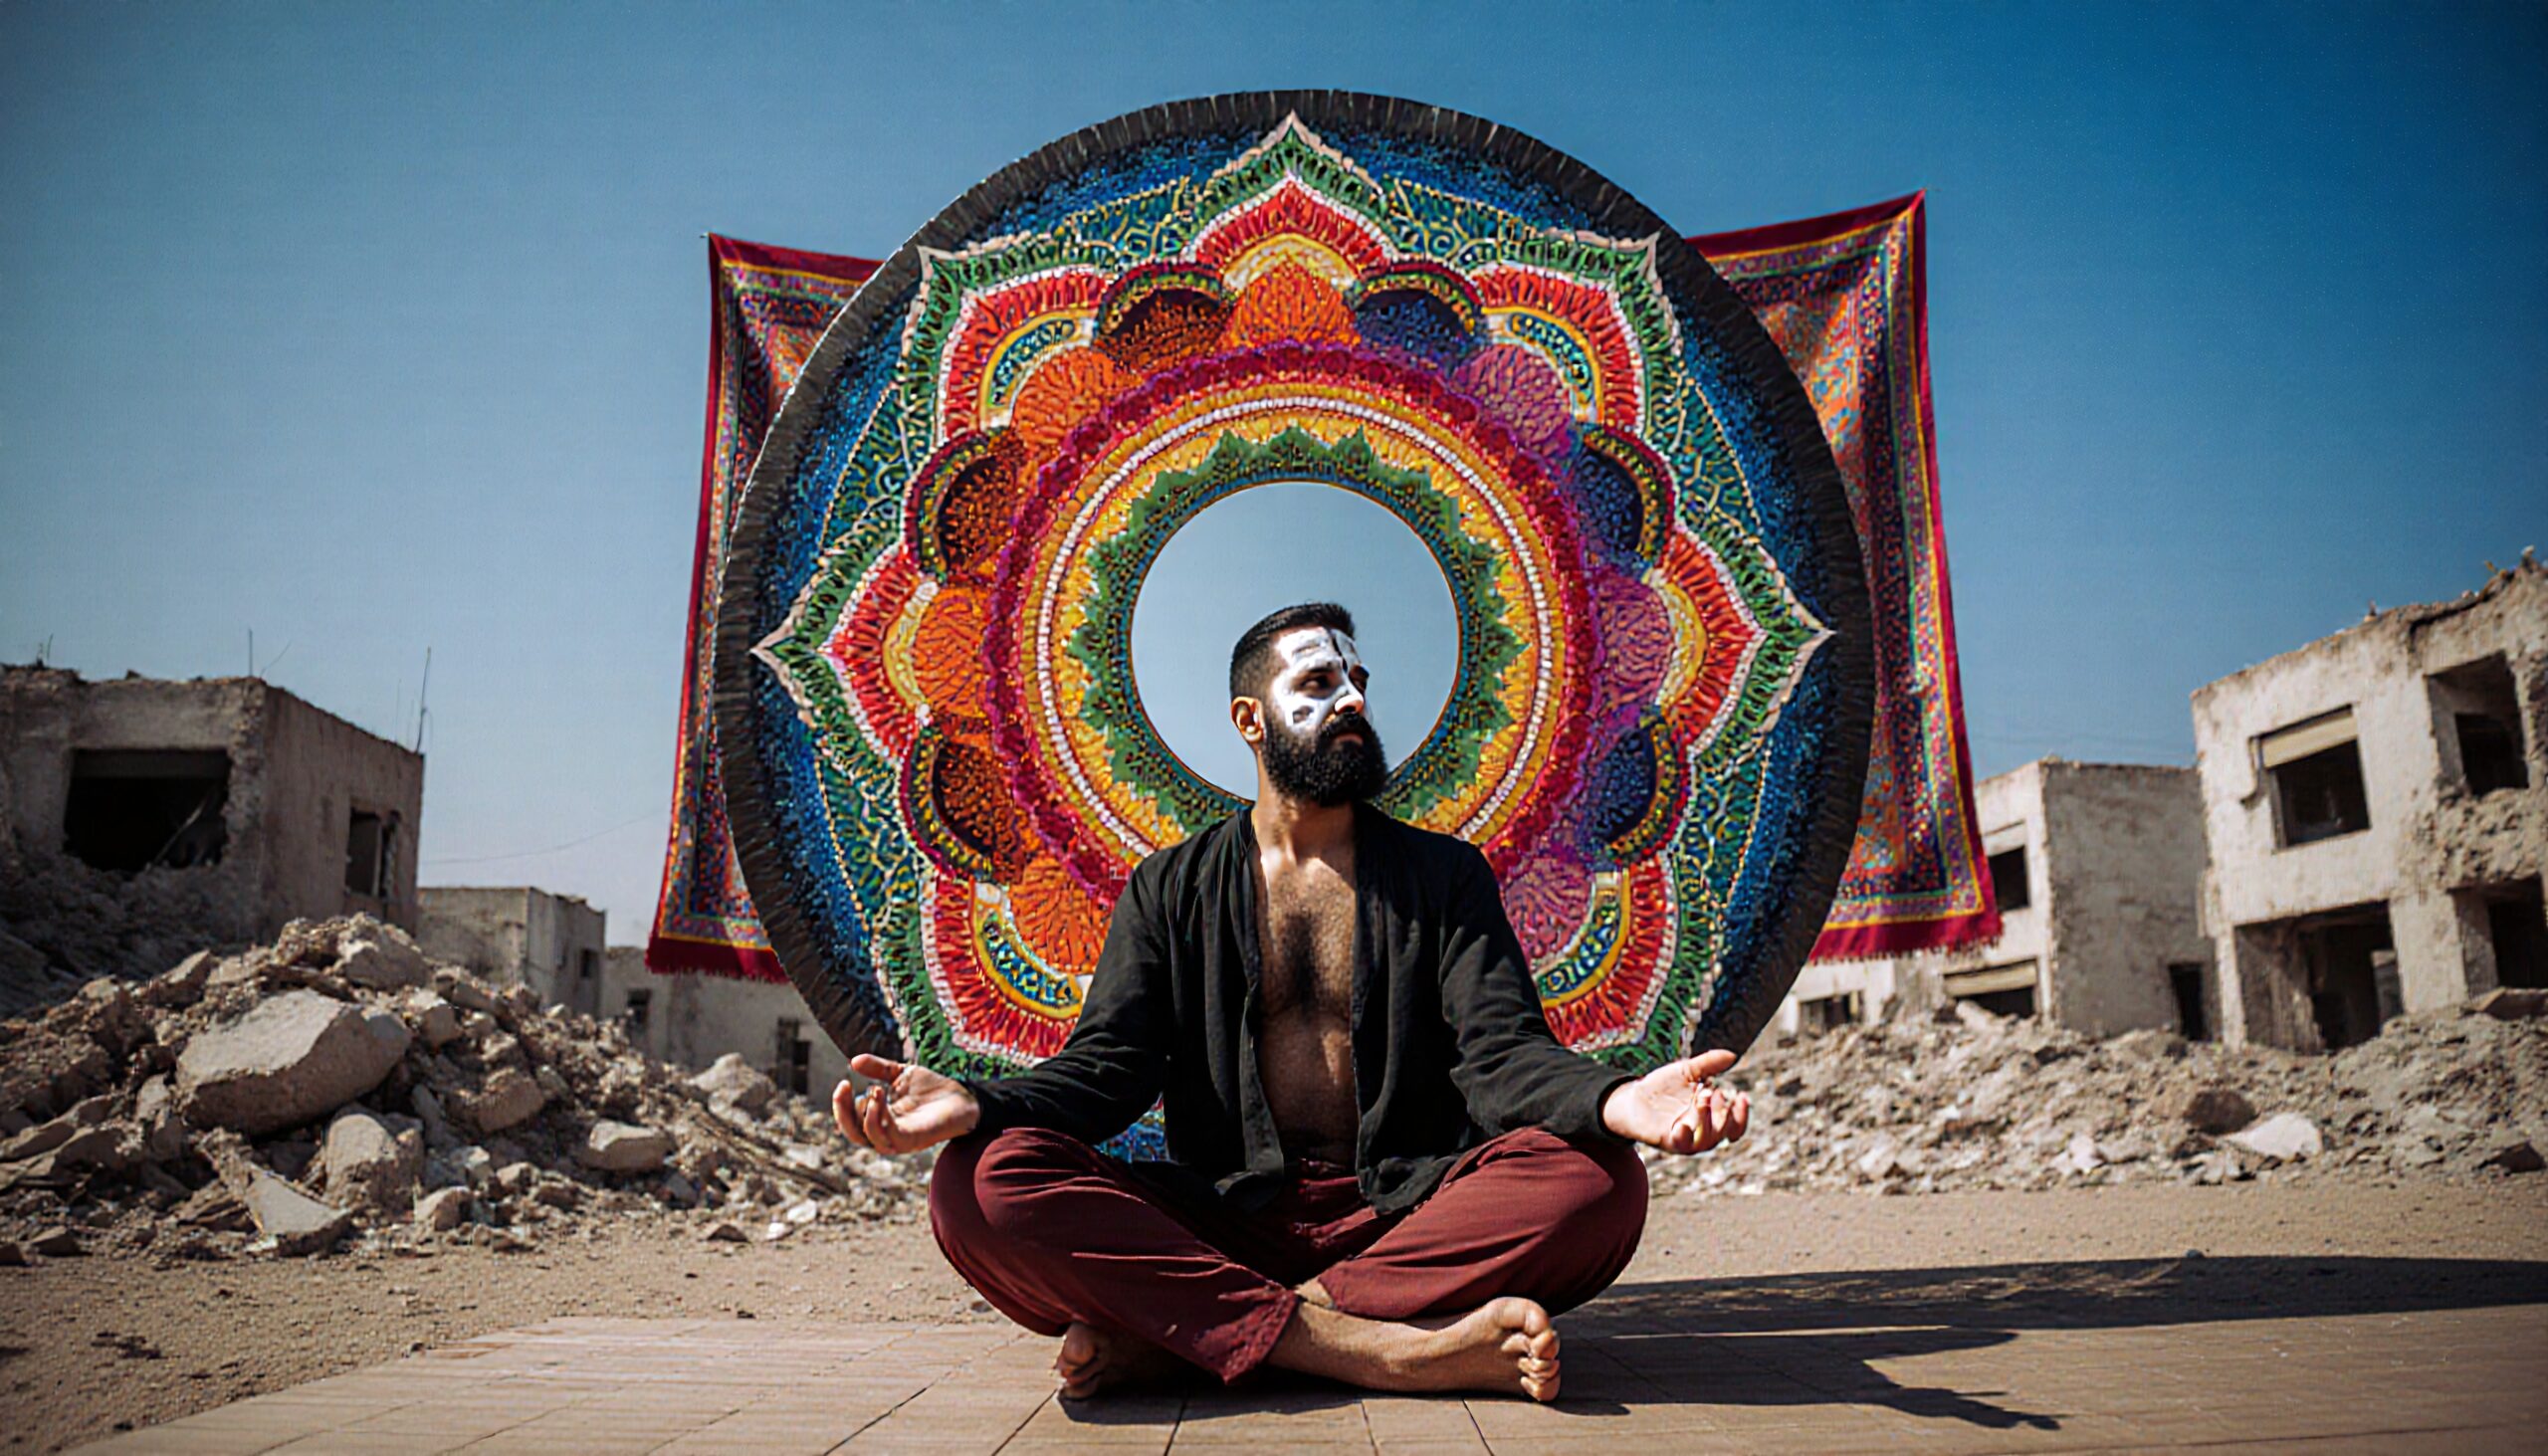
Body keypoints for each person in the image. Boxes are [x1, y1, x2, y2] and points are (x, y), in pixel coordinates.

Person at [833, 602, 1751, 1403]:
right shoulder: (1168, 889)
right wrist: (981, 1101)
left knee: (1601, 1183)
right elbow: (1107, 1068)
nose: (1352, 698)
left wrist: (1613, 1098)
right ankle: (1381, 1350)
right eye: (1318, 679)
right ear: (1250, 719)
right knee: (975, 1185)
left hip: (1406, 1213)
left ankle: (1192, 1340)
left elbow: (1500, 1054)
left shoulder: (1443, 876)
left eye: (1357, 678)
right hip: (1226, 1218)